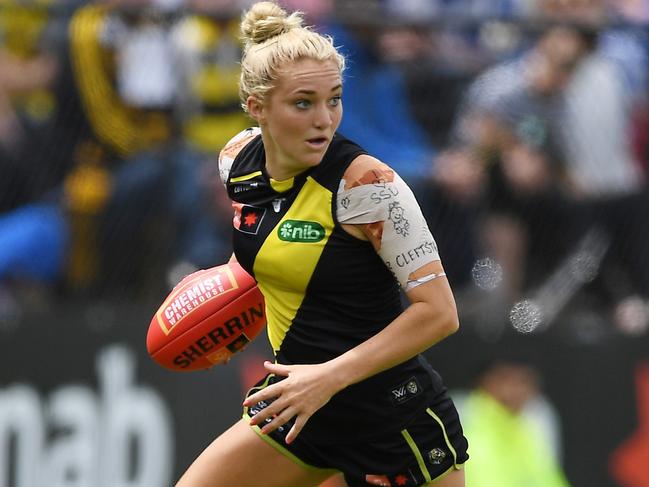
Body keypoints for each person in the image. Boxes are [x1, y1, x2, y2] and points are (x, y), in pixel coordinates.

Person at [176, 2, 468, 487]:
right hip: (297, 405)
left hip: (390, 421)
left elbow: (440, 314)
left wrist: (328, 376)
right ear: (257, 107)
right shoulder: (237, 164)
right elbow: (261, 255)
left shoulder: (369, 186)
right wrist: (220, 304)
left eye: (334, 99)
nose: (324, 120)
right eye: (303, 102)